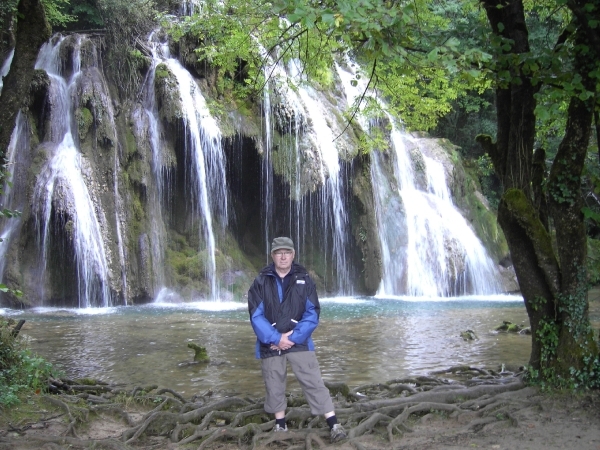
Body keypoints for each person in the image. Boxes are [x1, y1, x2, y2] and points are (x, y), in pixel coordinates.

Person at [247, 236, 347, 443]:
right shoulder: (260, 281)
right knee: (274, 382)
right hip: (271, 342)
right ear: (272, 255)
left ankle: (334, 423)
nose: (283, 256)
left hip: (298, 340)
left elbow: (312, 313)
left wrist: (293, 337)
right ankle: (280, 425)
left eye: (287, 252)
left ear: (293, 255)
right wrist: (276, 338)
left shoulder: (304, 279)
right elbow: (256, 315)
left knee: (313, 381)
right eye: (278, 252)